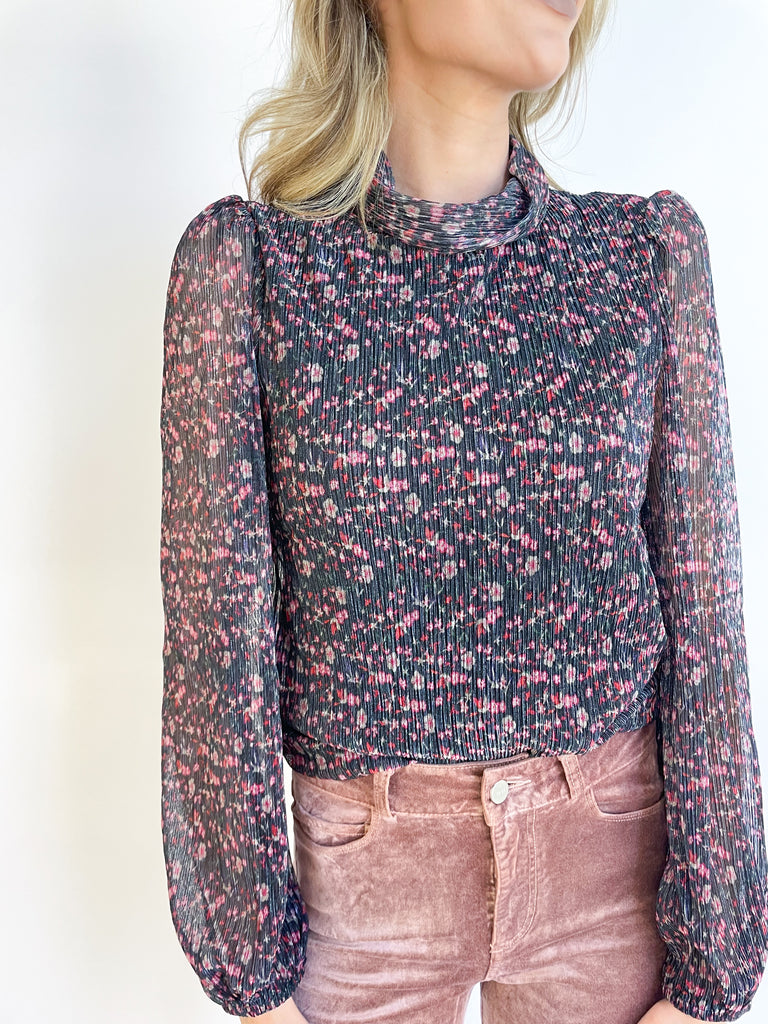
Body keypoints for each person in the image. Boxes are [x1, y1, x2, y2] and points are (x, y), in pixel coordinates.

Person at [159, 0, 768, 1021]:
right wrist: (251, 977)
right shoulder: (256, 270)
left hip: (613, 874)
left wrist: (715, 964)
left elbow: (707, 615)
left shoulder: (641, 258)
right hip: (367, 900)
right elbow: (216, 643)